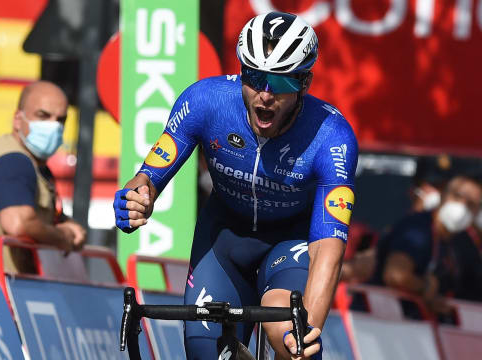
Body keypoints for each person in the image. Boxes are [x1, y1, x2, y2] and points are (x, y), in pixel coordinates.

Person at [113, 12, 358, 360]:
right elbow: (148, 176)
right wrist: (137, 197)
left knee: (286, 328)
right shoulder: (205, 100)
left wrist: (304, 337)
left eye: (281, 82)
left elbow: (327, 251)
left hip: (292, 242)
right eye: (255, 77)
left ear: (304, 83)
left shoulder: (331, 136)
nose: (265, 95)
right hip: (224, 237)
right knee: (207, 353)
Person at [0, 81, 86, 273]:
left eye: (60, 120)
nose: (53, 126)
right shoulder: (13, 161)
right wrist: (62, 237)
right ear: (18, 119)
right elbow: (18, 222)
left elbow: (42, 218)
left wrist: (68, 227)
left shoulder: (35, 167)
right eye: (43, 116)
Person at [371, 175, 482, 316]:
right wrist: (426, 287)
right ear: (442, 196)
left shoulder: (461, 242)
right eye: (458, 197)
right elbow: (395, 275)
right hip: (381, 320)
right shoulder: (417, 228)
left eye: (471, 204)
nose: (462, 206)